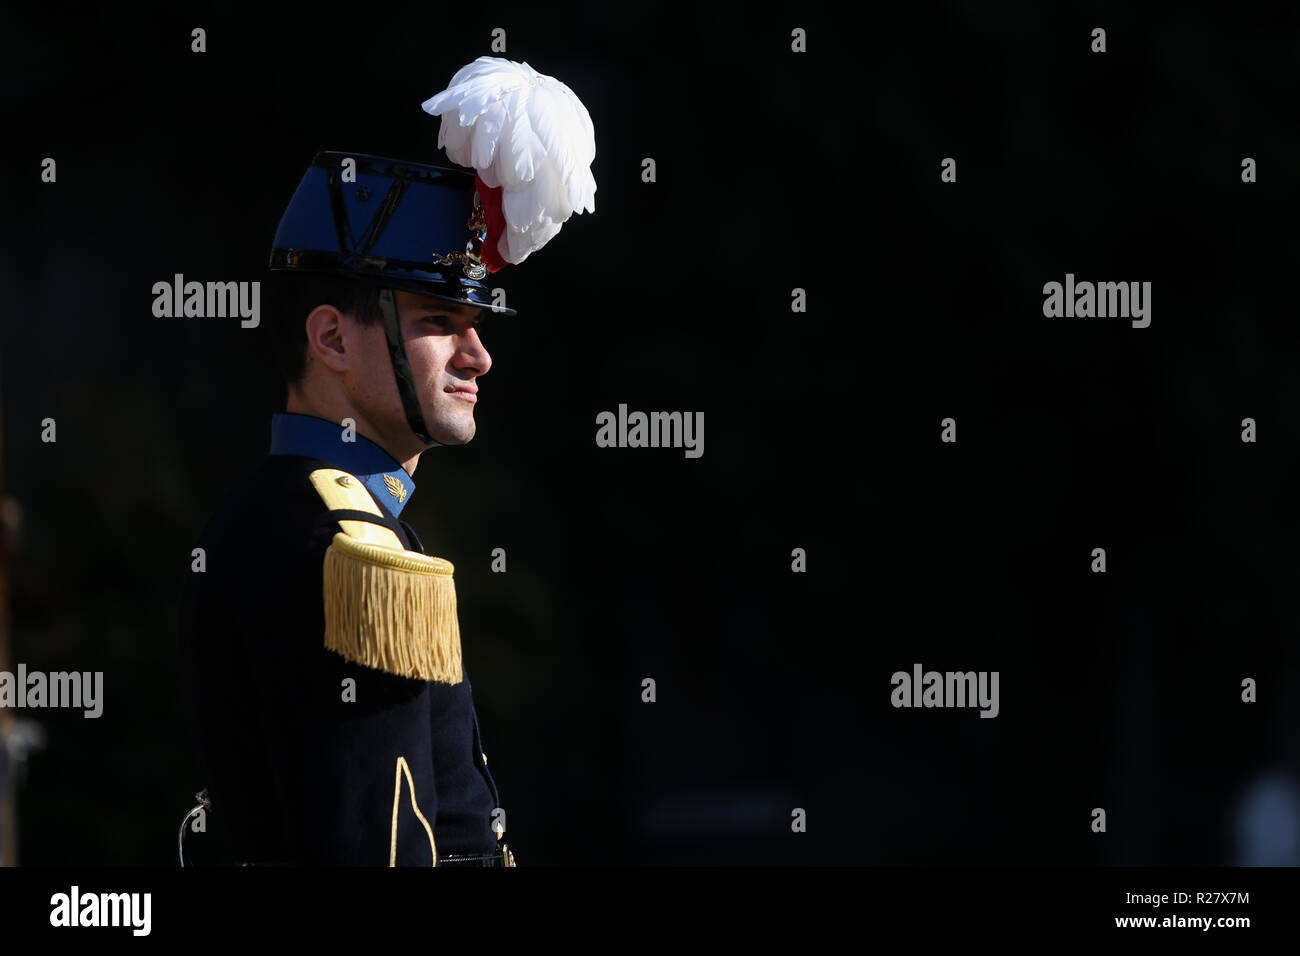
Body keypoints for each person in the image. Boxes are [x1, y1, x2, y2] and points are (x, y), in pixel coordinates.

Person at [178, 57, 595, 865]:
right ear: (331, 337)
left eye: (478, 324)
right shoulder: (346, 550)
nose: (478, 356)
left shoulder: (289, 512)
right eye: (441, 319)